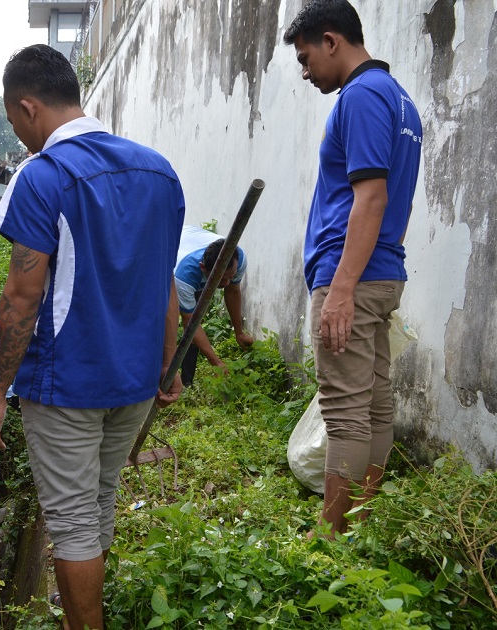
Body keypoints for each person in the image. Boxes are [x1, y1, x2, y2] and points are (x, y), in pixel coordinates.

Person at [0, 44, 185, 630]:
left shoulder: (44, 176)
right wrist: (170, 366)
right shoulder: (159, 171)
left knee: (69, 521)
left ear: (28, 106)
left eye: (15, 121)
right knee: (98, 502)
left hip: (67, 383)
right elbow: (164, 278)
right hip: (135, 380)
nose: (17, 135)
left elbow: (21, 296)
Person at [284, 0, 422, 537]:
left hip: (353, 275)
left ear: (331, 40)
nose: (305, 70)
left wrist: (341, 289)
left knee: (344, 409)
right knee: (375, 402)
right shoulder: (401, 100)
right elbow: (397, 202)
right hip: (381, 271)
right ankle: (362, 517)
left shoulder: (361, 96)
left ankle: (333, 533)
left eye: (305, 56)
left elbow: (371, 197)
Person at [174, 225, 254, 386]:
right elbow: (191, 323)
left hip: (190, 238)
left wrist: (239, 332)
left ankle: (187, 382)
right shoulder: (184, 277)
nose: (225, 283)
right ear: (203, 268)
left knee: (195, 321)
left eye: (229, 277)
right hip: (173, 253)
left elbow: (232, 292)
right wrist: (216, 362)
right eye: (219, 279)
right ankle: (169, 376)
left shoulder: (238, 258)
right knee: (170, 322)